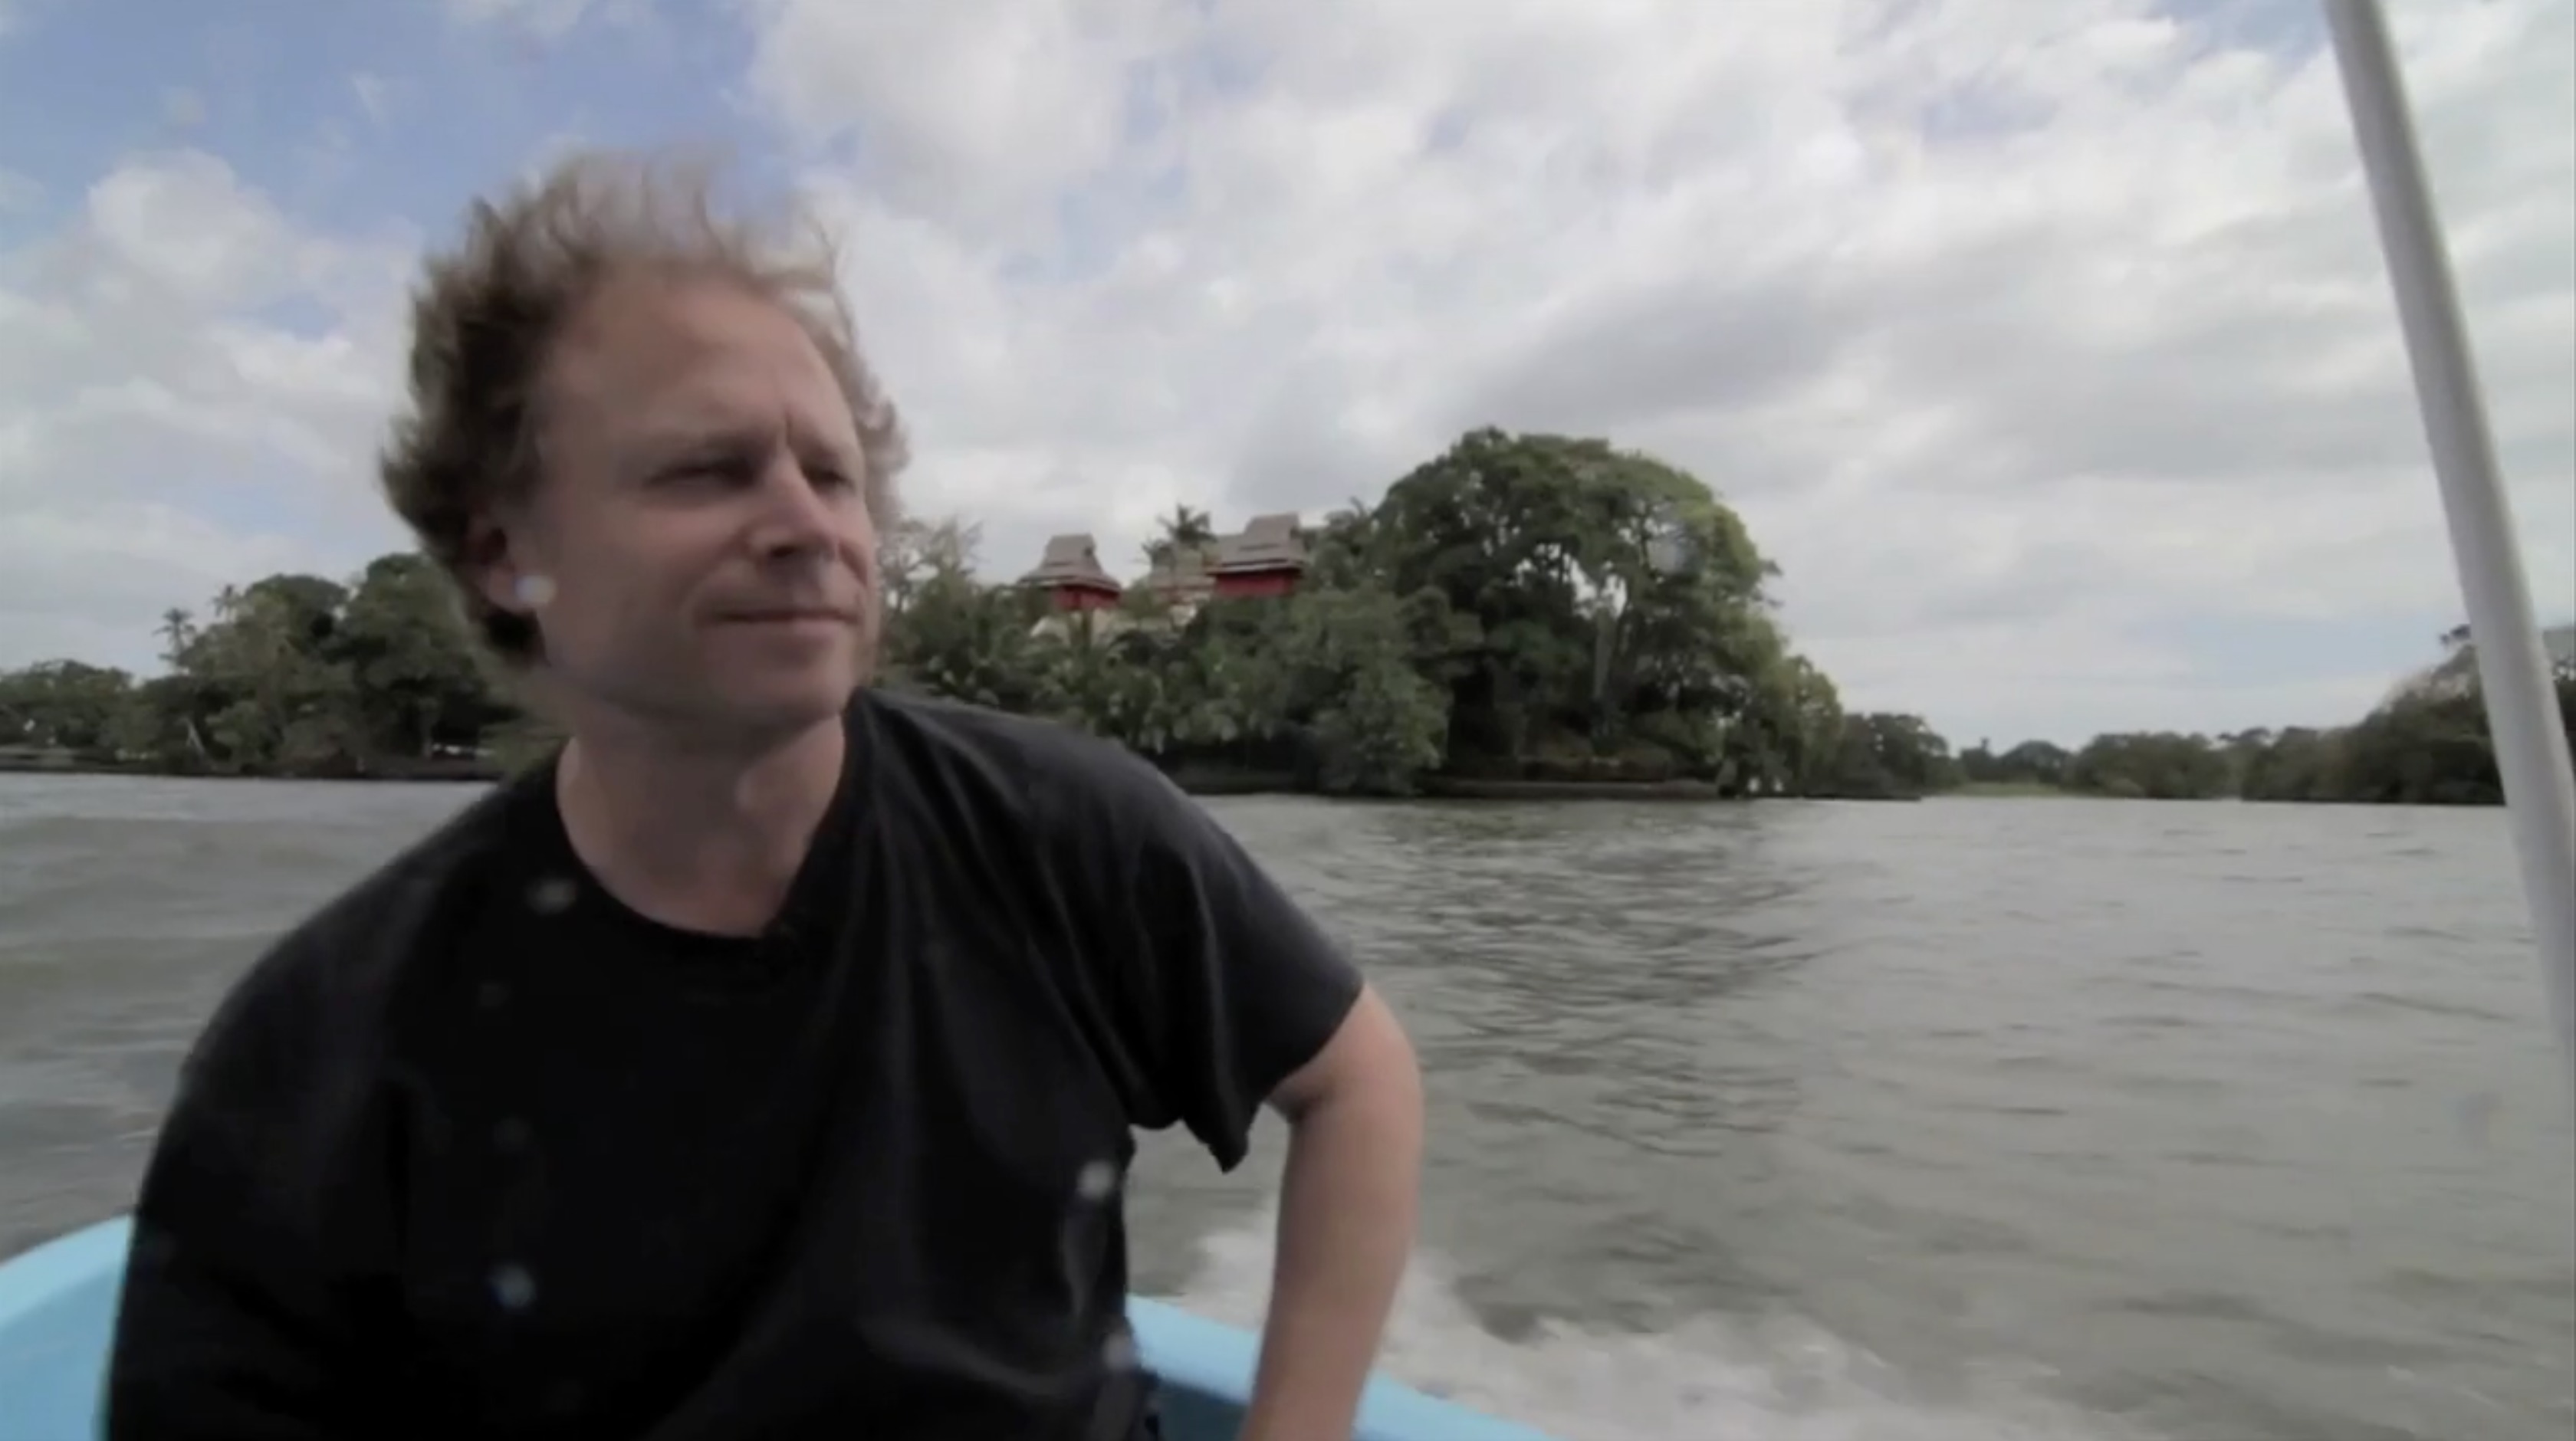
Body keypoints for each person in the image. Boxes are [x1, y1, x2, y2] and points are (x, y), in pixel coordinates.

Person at [103, 150, 1426, 1441]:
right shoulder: (325, 1049)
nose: (810, 526)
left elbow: (1359, 1081)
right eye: (707, 469)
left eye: (833, 473)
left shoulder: (1062, 834)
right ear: (508, 552)